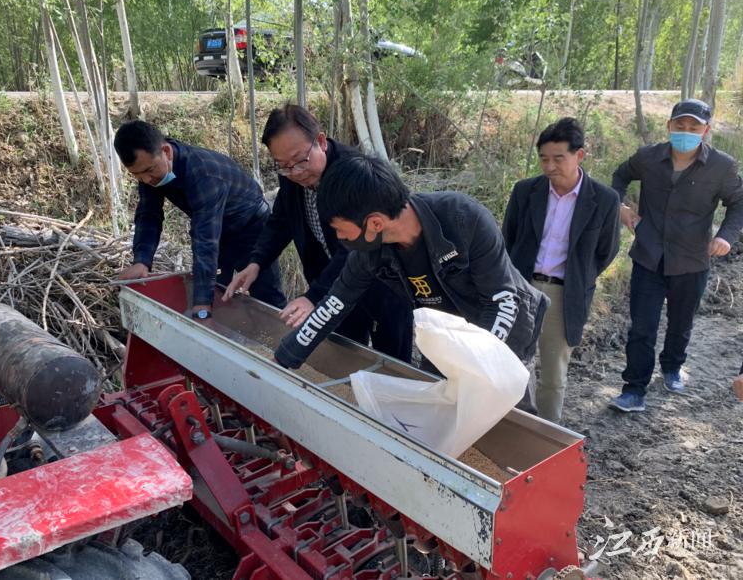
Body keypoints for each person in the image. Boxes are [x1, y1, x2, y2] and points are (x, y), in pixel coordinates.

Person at [272, 154, 549, 392]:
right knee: (437, 399)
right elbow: (335, 304)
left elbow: (501, 300)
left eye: (339, 228)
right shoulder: (369, 253)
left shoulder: (462, 219)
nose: (338, 236)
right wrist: (283, 359)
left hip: (504, 327)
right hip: (448, 329)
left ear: (375, 223)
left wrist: (474, 369)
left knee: (507, 417)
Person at [223, 105, 412, 362]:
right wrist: (256, 263)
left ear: (320, 141)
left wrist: (314, 297)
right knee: (344, 353)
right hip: (334, 288)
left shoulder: (355, 175)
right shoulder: (292, 175)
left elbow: (356, 247)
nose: (295, 172)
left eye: (301, 160)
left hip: (382, 284)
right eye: (284, 166)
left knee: (391, 362)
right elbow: (280, 221)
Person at [609, 99, 743, 412]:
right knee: (642, 327)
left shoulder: (721, 166)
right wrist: (620, 206)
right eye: (680, 126)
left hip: (693, 259)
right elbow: (619, 175)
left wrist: (726, 236)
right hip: (648, 255)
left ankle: (671, 366)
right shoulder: (648, 157)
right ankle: (634, 389)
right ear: (669, 126)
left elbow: (739, 202)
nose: (686, 132)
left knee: (681, 323)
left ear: (705, 131)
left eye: (693, 127)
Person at [503, 117, 620, 423]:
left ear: (579, 155)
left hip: (564, 293)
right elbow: (509, 238)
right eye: (543, 159)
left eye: (558, 159)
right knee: (510, 362)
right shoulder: (525, 191)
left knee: (553, 374)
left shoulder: (604, 200)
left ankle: (545, 435)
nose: (550, 167)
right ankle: (509, 425)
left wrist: (580, 277)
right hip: (522, 287)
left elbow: (606, 251)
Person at [113, 120, 286, 319]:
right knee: (220, 294)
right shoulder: (151, 169)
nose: (146, 180)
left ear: (166, 152)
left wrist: (201, 304)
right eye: (137, 175)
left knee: (268, 300)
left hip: (252, 227)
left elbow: (205, 240)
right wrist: (142, 261)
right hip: (220, 231)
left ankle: (280, 345)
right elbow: (148, 215)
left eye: (149, 171)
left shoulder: (203, 173)